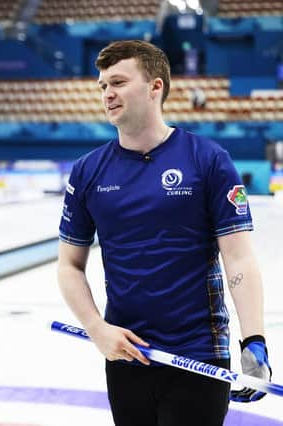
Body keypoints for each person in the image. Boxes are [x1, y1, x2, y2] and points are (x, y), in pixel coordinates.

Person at [57, 40, 272, 426]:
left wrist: (254, 341)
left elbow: (238, 257)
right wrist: (97, 330)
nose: (108, 94)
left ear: (155, 87)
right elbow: (69, 266)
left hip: (198, 356)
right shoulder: (87, 172)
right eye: (103, 85)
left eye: (119, 82)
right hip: (125, 355)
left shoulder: (207, 160)